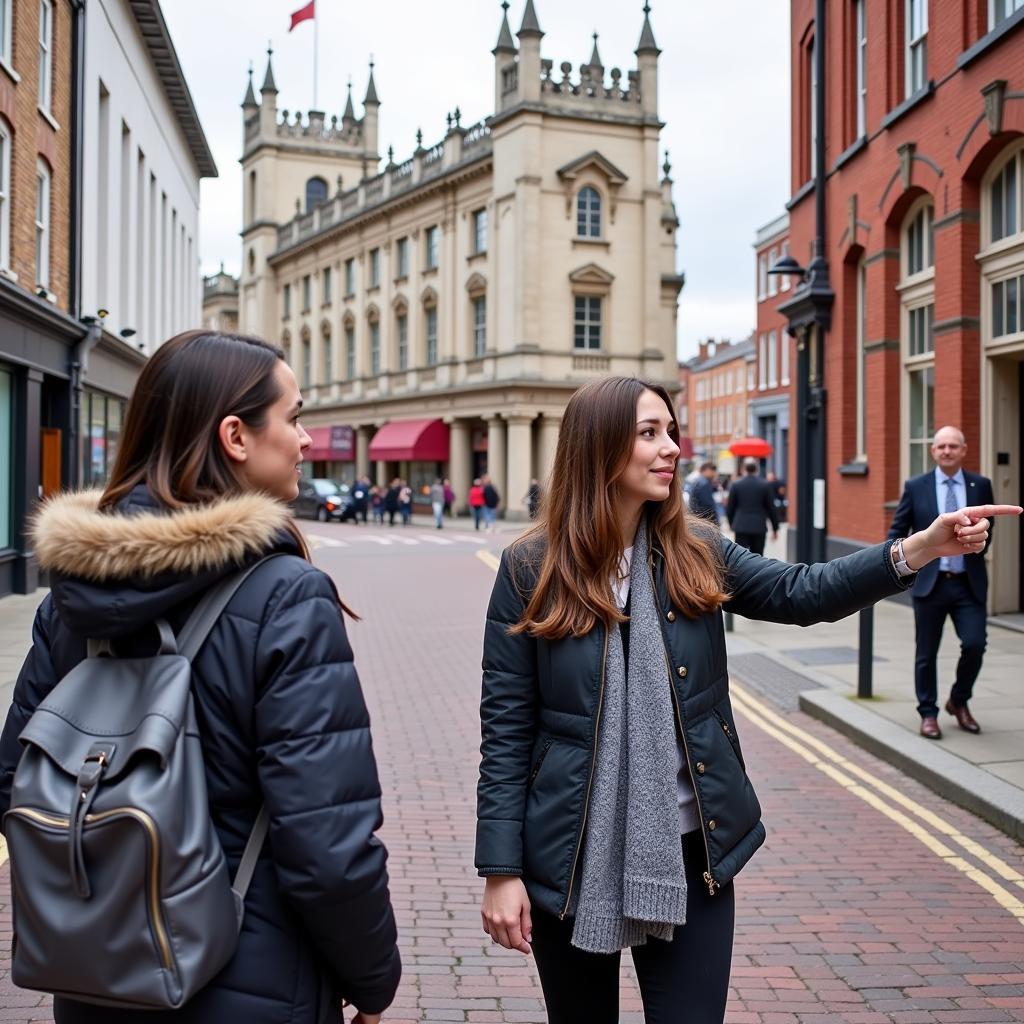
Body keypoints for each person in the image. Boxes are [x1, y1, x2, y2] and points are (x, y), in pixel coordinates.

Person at [475, 375, 1018, 1024]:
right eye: (649, 434)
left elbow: (802, 591)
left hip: (691, 850)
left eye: (670, 431)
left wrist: (918, 548)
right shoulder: (530, 569)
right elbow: (507, 732)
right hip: (572, 855)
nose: (671, 447)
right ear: (598, 448)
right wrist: (500, 870)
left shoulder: (693, 550)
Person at [0, 330, 401, 1024]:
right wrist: (373, 981)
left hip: (98, 978)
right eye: (295, 416)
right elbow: (326, 845)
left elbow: (16, 779)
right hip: (248, 977)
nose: (306, 440)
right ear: (236, 436)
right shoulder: (285, 595)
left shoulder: (72, 597)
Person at [888, 426, 996, 740]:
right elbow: (897, 531)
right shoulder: (915, 486)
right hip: (929, 583)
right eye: (941, 446)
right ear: (933, 451)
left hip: (968, 582)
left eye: (953, 446)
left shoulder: (981, 485)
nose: (947, 451)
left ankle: (959, 701)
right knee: (927, 652)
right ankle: (928, 713)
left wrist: (977, 542)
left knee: (975, 645)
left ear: (963, 450)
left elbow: (989, 530)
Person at [726, 459, 779, 555]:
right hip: (758, 526)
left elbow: (730, 508)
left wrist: (731, 523)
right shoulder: (765, 485)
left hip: (741, 526)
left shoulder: (736, 484)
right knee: (758, 557)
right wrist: (775, 528)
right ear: (756, 469)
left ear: (743, 469)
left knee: (740, 556)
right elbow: (771, 508)